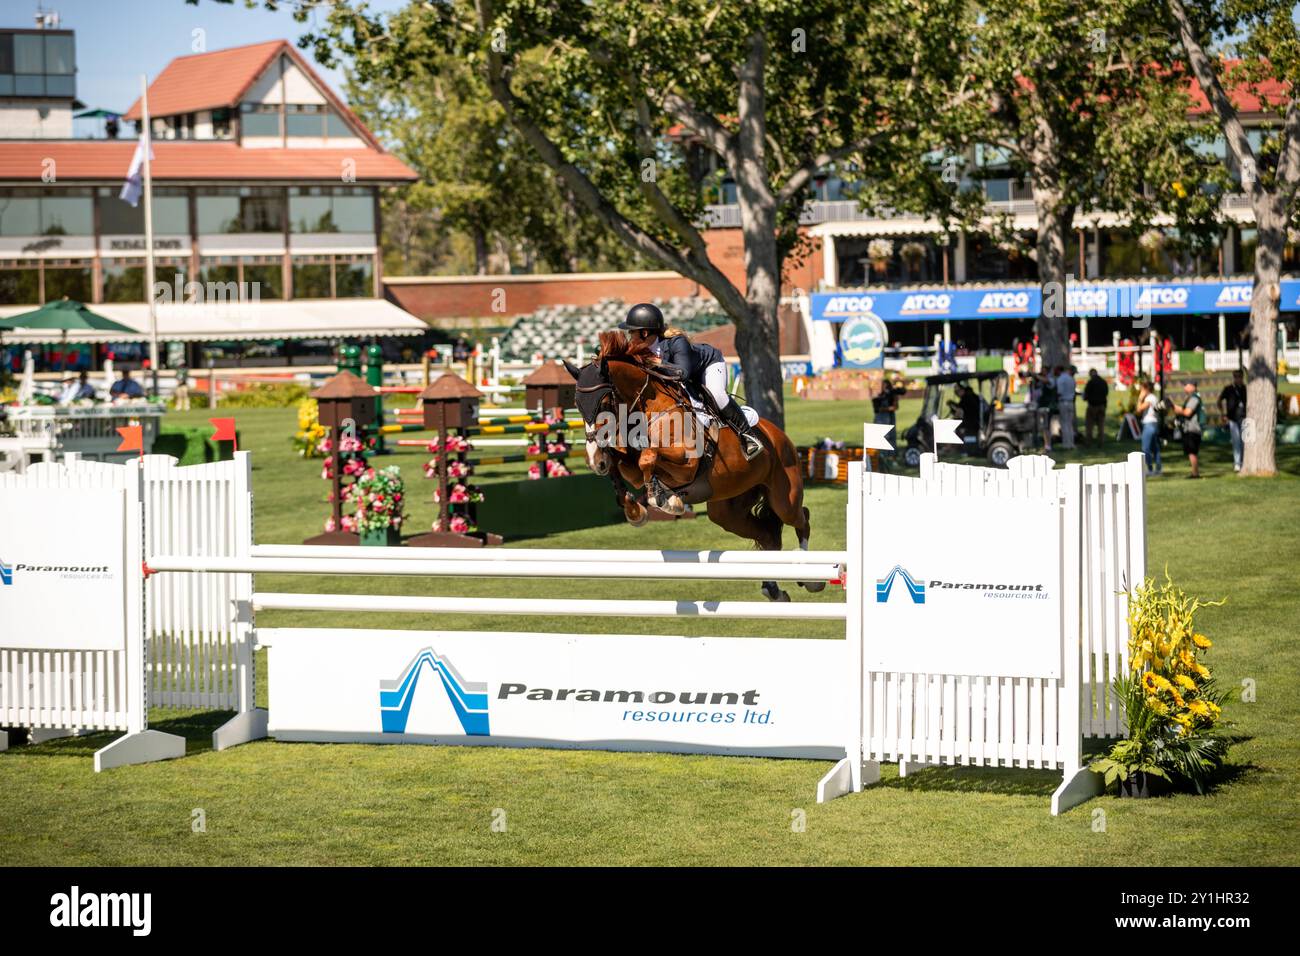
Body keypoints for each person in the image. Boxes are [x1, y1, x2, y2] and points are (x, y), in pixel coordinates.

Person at [618, 302, 763, 460]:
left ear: (644, 333)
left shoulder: (676, 342)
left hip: (707, 365)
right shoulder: (637, 349)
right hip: (680, 374)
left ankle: (748, 436)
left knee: (717, 395)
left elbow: (683, 373)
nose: (630, 336)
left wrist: (656, 362)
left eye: (632, 331)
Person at [1218, 369, 1247, 473]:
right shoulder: (1228, 389)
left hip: (1244, 418)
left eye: (1240, 376)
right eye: (1236, 377)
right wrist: (1223, 414)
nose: (1238, 379)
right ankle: (1237, 463)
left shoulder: (1245, 389)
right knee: (1236, 442)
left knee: (1245, 442)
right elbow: (1219, 401)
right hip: (1233, 419)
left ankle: (1244, 462)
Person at [1173, 380, 1204, 479]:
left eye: (1186, 385)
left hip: (1193, 428)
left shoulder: (1194, 398)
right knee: (1191, 452)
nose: (1184, 388)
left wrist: (1173, 406)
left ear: (1193, 386)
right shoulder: (1190, 398)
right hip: (1189, 428)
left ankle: (1195, 474)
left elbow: (1187, 412)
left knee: (1192, 452)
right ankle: (1194, 472)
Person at [1136, 379, 1162, 477]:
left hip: (1149, 424)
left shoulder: (1149, 398)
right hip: (1154, 424)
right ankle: (1158, 468)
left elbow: (1138, 409)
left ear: (1146, 389)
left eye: (1142, 389)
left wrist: (1140, 398)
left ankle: (1150, 469)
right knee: (1155, 448)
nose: (1141, 391)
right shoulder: (1154, 397)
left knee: (1145, 448)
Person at [872, 375, 903, 455]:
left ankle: (891, 454)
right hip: (881, 418)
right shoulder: (879, 396)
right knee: (882, 437)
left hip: (890, 417)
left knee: (891, 436)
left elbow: (895, 407)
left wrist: (894, 397)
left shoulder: (891, 394)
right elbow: (877, 408)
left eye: (887, 386)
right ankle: (882, 454)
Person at [1082, 369, 1109, 448]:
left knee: (1089, 426)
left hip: (1092, 406)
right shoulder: (1103, 382)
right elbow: (1106, 393)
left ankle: (1088, 443)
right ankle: (1101, 442)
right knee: (1101, 426)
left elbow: (1086, 394)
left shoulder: (1090, 383)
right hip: (1102, 406)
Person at [1033, 371, 1057, 452]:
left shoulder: (1050, 381)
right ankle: (1046, 444)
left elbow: (1047, 381)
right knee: (1044, 428)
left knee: (1046, 428)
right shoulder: (1040, 384)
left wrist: (1035, 375)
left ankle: (1048, 446)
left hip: (1047, 408)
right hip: (1042, 407)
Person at [1054, 365, 1077, 450]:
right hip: (1070, 402)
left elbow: (1059, 392)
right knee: (1070, 424)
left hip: (1063, 402)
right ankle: (1071, 443)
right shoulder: (1071, 379)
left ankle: (1066, 444)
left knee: (1064, 424)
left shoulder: (1061, 379)